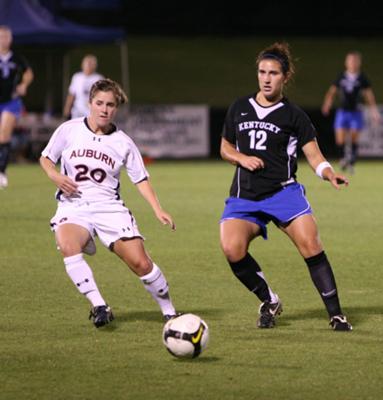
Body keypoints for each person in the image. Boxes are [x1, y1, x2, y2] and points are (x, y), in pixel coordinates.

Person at [220, 42, 352, 331]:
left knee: (311, 244)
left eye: (273, 73)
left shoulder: (294, 116)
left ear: (285, 77)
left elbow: (314, 155)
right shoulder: (240, 108)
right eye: (262, 72)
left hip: (284, 193)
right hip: (245, 196)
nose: (266, 78)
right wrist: (241, 158)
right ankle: (269, 300)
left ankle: (336, 314)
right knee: (231, 248)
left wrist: (329, 173)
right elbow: (225, 147)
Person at [40, 78, 177, 328]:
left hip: (109, 208)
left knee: (141, 263)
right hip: (74, 206)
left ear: (117, 108)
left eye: (110, 105)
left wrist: (158, 209)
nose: (104, 109)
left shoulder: (123, 142)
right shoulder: (69, 129)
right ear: (90, 103)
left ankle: (170, 313)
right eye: (99, 103)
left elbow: (141, 179)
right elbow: (46, 158)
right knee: (67, 245)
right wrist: (55, 175)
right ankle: (100, 306)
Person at [321, 51, 380, 173]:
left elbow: (369, 95)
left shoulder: (362, 78)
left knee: (353, 138)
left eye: (355, 61)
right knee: (340, 139)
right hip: (342, 112)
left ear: (359, 63)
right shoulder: (341, 77)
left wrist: (374, 111)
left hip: (356, 112)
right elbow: (332, 92)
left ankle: (352, 161)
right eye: (350, 61)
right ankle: (343, 158)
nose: (352, 63)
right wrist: (327, 103)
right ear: (346, 63)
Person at [0, 25, 33, 188]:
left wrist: (24, 85)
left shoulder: (17, 58)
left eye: (6, 36)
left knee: (4, 136)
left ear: (10, 39)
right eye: (1, 36)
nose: (3, 39)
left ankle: (2, 172)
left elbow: (28, 73)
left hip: (11, 101)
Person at [63, 54, 104, 119]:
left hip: (91, 111)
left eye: (91, 64)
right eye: (87, 63)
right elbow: (71, 94)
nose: (89, 66)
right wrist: (67, 108)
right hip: (78, 110)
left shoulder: (98, 78)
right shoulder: (77, 77)